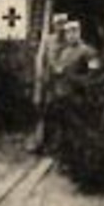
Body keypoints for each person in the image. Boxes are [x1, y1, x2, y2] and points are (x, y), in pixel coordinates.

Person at [31, 13, 70, 152]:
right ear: (54, 26)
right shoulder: (47, 40)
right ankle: (40, 142)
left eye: (63, 24)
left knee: (61, 114)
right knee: (45, 113)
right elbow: (40, 59)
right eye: (58, 24)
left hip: (64, 84)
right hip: (48, 83)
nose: (60, 27)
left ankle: (59, 144)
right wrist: (40, 76)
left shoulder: (69, 41)